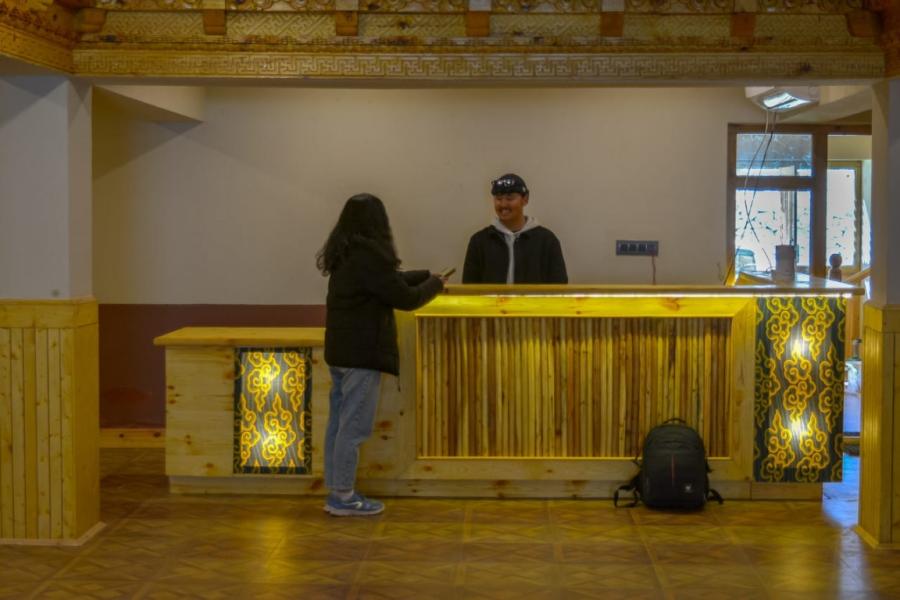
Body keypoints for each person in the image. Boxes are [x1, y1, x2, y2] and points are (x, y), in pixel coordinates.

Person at [316, 193, 445, 516]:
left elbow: (387, 283)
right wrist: (435, 286)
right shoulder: (370, 254)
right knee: (354, 427)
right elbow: (405, 299)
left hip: (341, 352)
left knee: (339, 424)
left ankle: (336, 489)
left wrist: (426, 275)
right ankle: (344, 496)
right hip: (362, 354)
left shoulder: (346, 252)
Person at [462, 173, 568, 284]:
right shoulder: (479, 242)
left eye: (510, 198)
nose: (503, 204)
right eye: (498, 198)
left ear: (525, 199)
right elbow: (468, 288)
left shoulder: (547, 241)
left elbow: (559, 287)